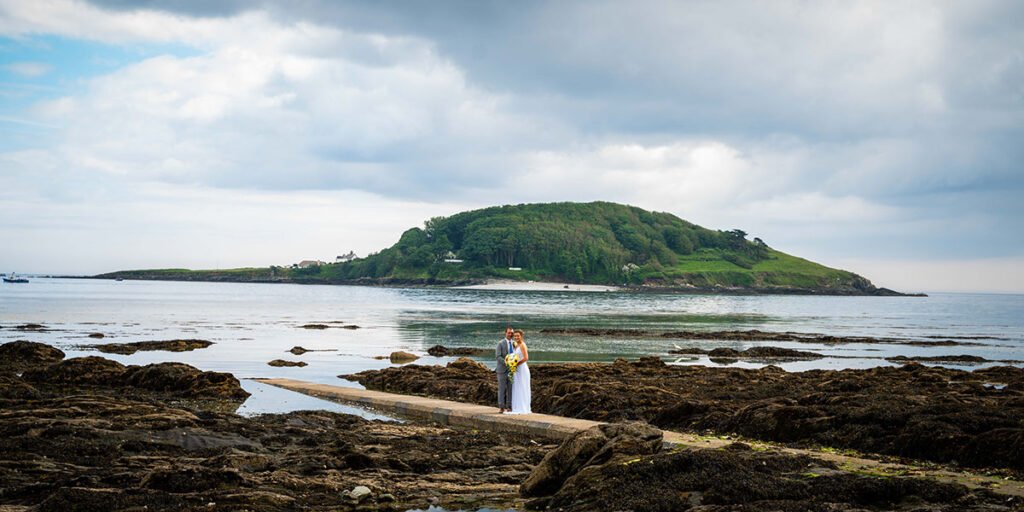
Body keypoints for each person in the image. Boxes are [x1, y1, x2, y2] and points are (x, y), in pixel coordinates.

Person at [508, 330, 531, 414]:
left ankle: (523, 407)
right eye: (515, 336)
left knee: (522, 386)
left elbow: (525, 358)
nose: (516, 337)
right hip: (516, 369)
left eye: (518, 336)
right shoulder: (515, 345)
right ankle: (517, 406)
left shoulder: (523, 345)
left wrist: (516, 364)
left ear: (521, 336)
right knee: (516, 387)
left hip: (522, 368)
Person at [495, 326, 515, 413]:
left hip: (512, 370)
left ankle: (509, 406)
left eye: (511, 333)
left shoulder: (515, 344)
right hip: (501, 370)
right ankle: (501, 407)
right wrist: (507, 362)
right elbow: (498, 356)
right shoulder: (500, 343)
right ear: (505, 333)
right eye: (509, 333)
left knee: (511, 389)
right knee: (502, 389)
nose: (510, 334)